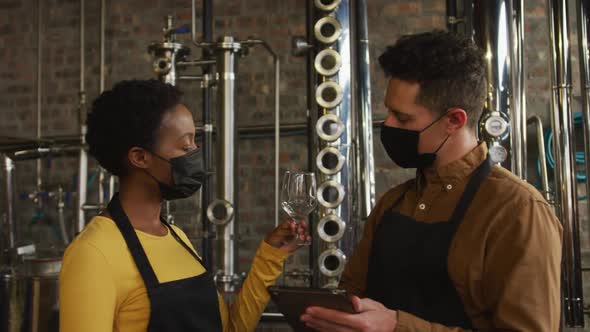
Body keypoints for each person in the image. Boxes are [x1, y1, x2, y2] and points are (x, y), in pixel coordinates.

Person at [300, 31, 562, 331]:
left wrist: (397, 327)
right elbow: (352, 297)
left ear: (455, 121)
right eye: (388, 112)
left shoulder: (518, 210)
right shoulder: (392, 203)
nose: (388, 125)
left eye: (404, 118)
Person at [59, 79, 309, 332]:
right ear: (140, 157)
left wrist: (269, 256)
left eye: (194, 143)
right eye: (185, 145)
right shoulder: (93, 253)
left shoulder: (176, 237)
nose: (195, 154)